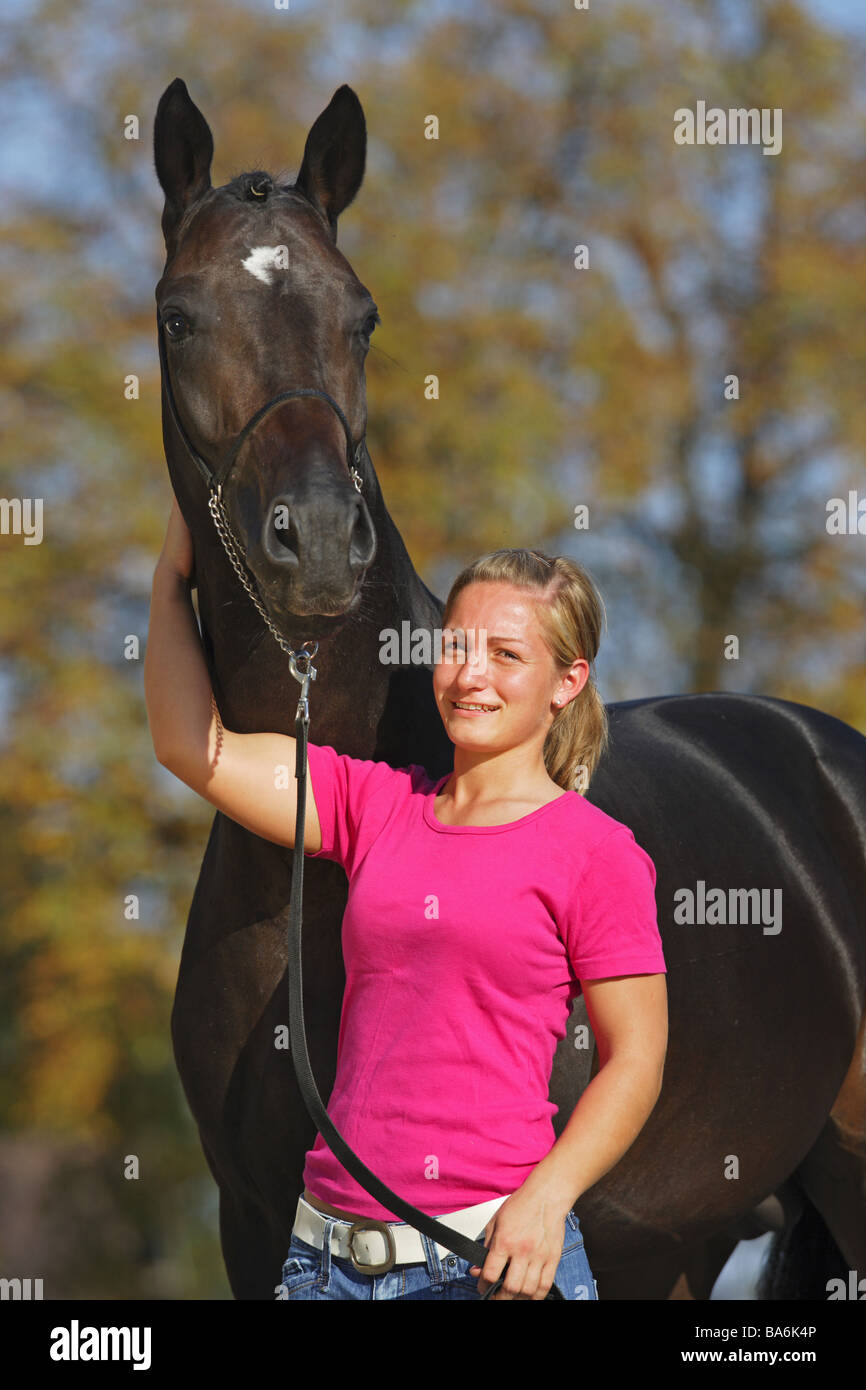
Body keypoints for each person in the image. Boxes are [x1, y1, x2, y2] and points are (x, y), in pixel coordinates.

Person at [144, 499, 668, 1301]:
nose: (471, 675)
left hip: (488, 1263)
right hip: (325, 1265)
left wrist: (549, 1196)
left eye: (506, 655)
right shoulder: (377, 805)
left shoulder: (597, 854)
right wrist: (171, 582)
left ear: (568, 682)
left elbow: (636, 1059)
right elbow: (192, 746)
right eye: (456, 647)